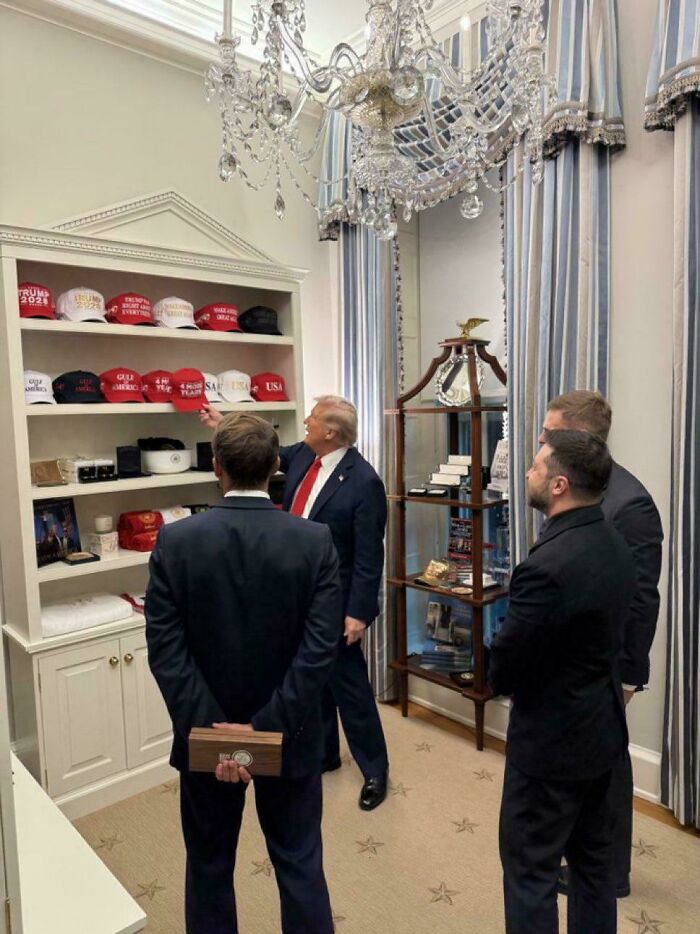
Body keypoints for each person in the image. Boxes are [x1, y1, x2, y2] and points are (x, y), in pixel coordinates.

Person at [145, 413, 342, 934]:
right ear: (276, 466)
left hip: (206, 739)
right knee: (300, 865)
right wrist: (265, 731)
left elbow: (166, 651)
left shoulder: (177, 540)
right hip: (293, 735)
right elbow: (319, 651)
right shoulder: (315, 540)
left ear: (217, 468)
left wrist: (219, 737)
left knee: (209, 868)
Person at [201, 396, 390, 811]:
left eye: (314, 417)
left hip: (337, 603)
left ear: (332, 433)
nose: (305, 420)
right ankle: (325, 754)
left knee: (349, 689)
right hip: (295, 594)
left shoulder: (364, 482)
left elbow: (368, 555)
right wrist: (222, 424)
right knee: (311, 683)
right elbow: (265, 452)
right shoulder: (306, 453)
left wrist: (358, 612)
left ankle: (375, 769)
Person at [489, 429, 636, 934]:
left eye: (536, 465)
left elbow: (506, 662)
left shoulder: (546, 566)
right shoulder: (615, 542)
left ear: (558, 484)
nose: (528, 472)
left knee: (531, 873)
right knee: (594, 870)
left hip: (551, 748)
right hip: (603, 736)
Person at [541, 391, 663, 898]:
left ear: (580, 437)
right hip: (571, 660)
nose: (541, 442)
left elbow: (642, 598)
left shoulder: (630, 503)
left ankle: (611, 875)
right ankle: (582, 857)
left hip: (608, 664)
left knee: (608, 769)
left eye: (549, 434)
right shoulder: (572, 488)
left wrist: (632, 673)